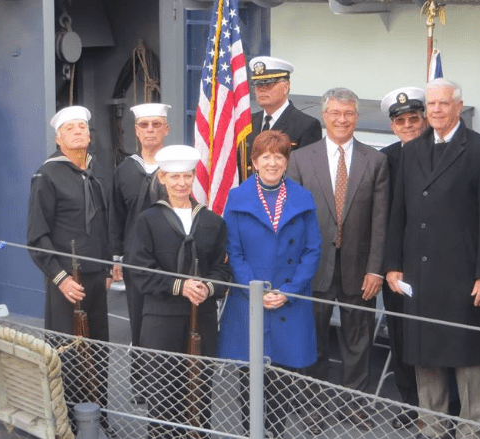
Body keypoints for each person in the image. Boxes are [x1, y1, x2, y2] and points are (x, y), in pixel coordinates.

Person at [385, 78, 480, 439]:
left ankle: (471, 429)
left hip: (463, 275)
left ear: (458, 106)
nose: (435, 110)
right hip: (419, 274)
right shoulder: (411, 150)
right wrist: (392, 265)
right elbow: (399, 215)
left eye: (443, 104)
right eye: (431, 105)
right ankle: (433, 427)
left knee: (466, 356)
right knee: (426, 355)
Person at [287, 87, 389, 431]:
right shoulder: (301, 159)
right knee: (313, 338)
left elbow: (380, 221)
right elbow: (293, 219)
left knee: (358, 340)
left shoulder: (376, 161)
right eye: (335, 113)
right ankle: (314, 406)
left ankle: (355, 405)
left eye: (349, 114)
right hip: (314, 269)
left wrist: (376, 268)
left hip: (360, 270)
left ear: (357, 118)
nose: (342, 120)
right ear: (324, 116)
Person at [218, 130, 322, 438]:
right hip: (249, 301)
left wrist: (288, 292)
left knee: (283, 382)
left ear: (287, 162)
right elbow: (232, 251)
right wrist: (255, 290)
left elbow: (312, 250)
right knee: (249, 381)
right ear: (253, 162)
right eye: (265, 157)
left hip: (290, 299)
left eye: (279, 156)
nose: (272, 163)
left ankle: (274, 435)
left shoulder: (303, 197)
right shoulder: (237, 198)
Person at [128, 144, 230, 439]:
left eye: (186, 177)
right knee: (162, 387)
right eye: (174, 177)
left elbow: (222, 269)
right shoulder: (148, 220)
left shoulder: (212, 222)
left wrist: (206, 287)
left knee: (199, 386)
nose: (181, 183)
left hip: (203, 313)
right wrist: (180, 286)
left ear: (194, 177)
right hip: (161, 316)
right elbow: (140, 269)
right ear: (162, 178)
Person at [27, 105, 111, 432]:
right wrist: (60, 278)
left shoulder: (95, 170)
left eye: (82, 127)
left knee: (99, 348)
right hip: (66, 279)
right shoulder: (46, 175)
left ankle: (98, 416)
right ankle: (68, 423)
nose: (78, 132)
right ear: (58, 138)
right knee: (68, 353)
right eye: (70, 128)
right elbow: (36, 236)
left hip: (96, 278)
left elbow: (103, 224)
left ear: (89, 135)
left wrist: (108, 267)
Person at [109, 102, 171, 404]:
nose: (150, 130)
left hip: (171, 262)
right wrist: (117, 259)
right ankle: (142, 385)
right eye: (144, 125)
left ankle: (169, 382)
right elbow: (116, 217)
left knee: (169, 321)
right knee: (139, 322)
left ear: (166, 129)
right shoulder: (124, 171)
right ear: (136, 130)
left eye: (156, 124)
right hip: (136, 262)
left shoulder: (177, 168)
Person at [380, 86, 426, 429]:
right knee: (400, 335)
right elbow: (382, 218)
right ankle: (410, 401)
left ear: (424, 119)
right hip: (396, 263)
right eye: (401, 121)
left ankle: (441, 404)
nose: (408, 125)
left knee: (435, 333)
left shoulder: (440, 153)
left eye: (414, 118)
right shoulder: (386, 159)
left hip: (434, 263)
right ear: (393, 126)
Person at [241, 56, 322, 179]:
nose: (261, 89)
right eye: (257, 85)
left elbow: (307, 175)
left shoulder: (307, 125)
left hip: (285, 196)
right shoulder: (247, 123)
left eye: (269, 84)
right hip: (248, 195)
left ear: (285, 87)